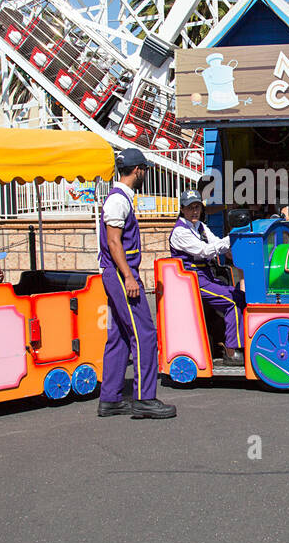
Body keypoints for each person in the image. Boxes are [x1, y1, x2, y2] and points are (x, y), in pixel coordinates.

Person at [97, 148, 175, 419]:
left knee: (119, 335)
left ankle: (110, 398)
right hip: (121, 274)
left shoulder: (120, 198)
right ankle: (144, 398)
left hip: (117, 272)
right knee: (144, 334)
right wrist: (129, 276)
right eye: (145, 170)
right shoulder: (119, 200)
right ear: (138, 170)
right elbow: (113, 241)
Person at [171, 189, 243, 366]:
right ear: (182, 209)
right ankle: (232, 350)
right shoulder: (180, 232)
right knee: (232, 301)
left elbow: (216, 243)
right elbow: (204, 250)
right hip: (192, 280)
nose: (194, 211)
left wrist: (232, 246)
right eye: (190, 208)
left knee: (241, 296)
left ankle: (235, 341)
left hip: (206, 276)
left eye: (197, 207)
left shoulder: (201, 227)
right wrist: (232, 238)